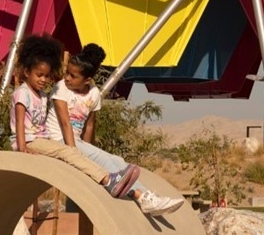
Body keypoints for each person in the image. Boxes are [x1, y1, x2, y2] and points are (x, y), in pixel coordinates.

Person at [45, 43, 185, 217]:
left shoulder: (94, 93)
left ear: (87, 80)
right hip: (59, 141)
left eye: (73, 76)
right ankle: (142, 197)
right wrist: (75, 154)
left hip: (77, 142)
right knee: (109, 163)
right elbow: (65, 124)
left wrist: (90, 152)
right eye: (67, 73)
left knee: (116, 160)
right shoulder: (61, 89)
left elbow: (89, 125)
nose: (67, 78)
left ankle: (146, 196)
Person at [11, 35, 140, 198]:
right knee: (69, 152)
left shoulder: (42, 95)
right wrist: (23, 147)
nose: (44, 79)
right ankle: (108, 180)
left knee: (73, 153)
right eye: (39, 75)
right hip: (29, 141)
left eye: (47, 76)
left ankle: (113, 180)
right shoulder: (22, 93)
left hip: (41, 140)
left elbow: (89, 125)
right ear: (26, 72)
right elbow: (20, 123)